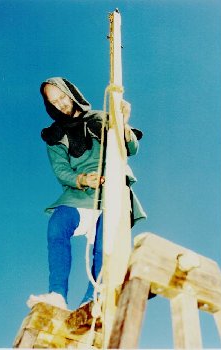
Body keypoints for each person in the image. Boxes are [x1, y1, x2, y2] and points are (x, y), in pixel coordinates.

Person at [27, 77, 146, 310]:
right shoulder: (54, 137)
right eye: (54, 102)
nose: (60, 104)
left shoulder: (101, 118)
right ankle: (57, 295)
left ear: (71, 93)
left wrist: (122, 122)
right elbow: (61, 171)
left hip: (111, 192)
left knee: (105, 242)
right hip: (80, 194)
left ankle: (93, 298)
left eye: (61, 97)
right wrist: (81, 179)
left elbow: (131, 148)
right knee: (58, 224)